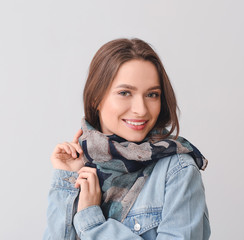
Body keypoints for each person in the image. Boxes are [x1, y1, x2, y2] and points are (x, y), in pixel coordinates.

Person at [43, 38, 210, 240]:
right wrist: (66, 179)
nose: (141, 109)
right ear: (96, 98)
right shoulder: (81, 163)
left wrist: (92, 222)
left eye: (152, 94)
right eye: (125, 93)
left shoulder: (177, 170)